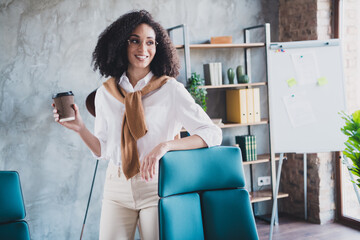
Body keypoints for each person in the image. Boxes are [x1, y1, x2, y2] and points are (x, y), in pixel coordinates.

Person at [53, 10, 222, 240]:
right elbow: (103, 150)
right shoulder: (105, 93)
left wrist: (165, 146)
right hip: (116, 187)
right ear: (121, 44)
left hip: (157, 186)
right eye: (135, 41)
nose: (143, 49)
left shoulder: (170, 90)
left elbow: (212, 133)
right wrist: (81, 128)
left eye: (150, 42)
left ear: (158, 47)